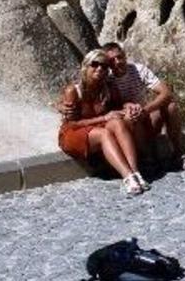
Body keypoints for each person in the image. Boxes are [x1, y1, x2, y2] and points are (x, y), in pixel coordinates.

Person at [58, 49, 149, 196]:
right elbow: (72, 124)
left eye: (105, 66)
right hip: (73, 133)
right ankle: (128, 177)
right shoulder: (73, 91)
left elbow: (119, 106)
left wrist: (129, 106)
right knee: (104, 133)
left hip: (95, 128)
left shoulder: (108, 88)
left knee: (118, 122)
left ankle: (135, 172)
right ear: (85, 67)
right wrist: (104, 118)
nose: (100, 68)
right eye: (95, 64)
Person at [102, 42, 185, 172]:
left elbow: (166, 93)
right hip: (125, 122)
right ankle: (147, 158)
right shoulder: (107, 79)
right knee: (130, 116)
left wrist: (145, 110)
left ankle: (179, 154)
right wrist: (126, 107)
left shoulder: (138, 70)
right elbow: (107, 106)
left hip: (145, 115)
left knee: (171, 106)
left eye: (119, 57)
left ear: (125, 56)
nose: (117, 62)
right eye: (112, 60)